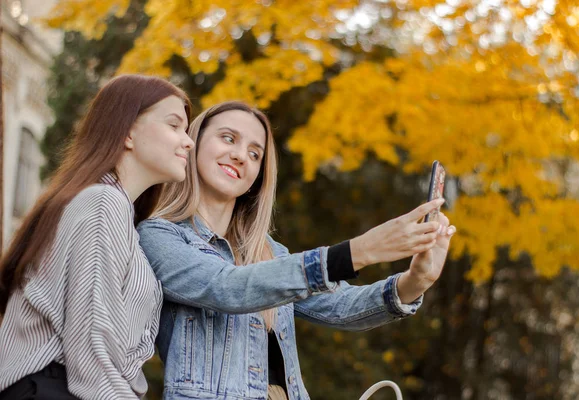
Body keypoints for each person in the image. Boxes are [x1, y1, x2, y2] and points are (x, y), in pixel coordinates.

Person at [137, 101, 456, 400]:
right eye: (228, 138)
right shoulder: (160, 235)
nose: (240, 156)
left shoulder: (270, 253)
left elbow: (341, 307)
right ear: (193, 144)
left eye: (254, 154)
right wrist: (359, 251)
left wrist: (417, 280)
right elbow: (227, 287)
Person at [0, 74, 195, 399]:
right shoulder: (102, 202)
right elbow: (91, 343)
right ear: (128, 131)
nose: (187, 141)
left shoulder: (116, 213)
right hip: (53, 388)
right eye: (174, 126)